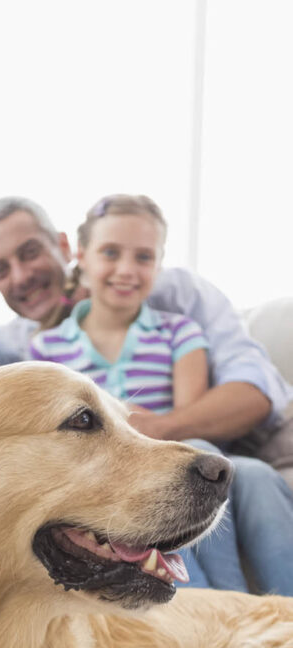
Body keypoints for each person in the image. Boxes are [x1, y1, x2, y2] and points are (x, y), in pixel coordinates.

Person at [28, 193, 293, 596]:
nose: (126, 270)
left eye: (144, 258)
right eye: (111, 253)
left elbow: (189, 424)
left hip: (178, 453)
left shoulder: (179, 332)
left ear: (159, 264)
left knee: (255, 474)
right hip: (113, 474)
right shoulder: (46, 350)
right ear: (82, 256)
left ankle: (282, 615)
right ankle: (216, 606)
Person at [0, 197, 293, 486]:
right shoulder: (30, 343)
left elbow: (256, 392)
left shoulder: (172, 296)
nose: (22, 275)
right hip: (129, 468)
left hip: (240, 446)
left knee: (250, 476)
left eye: (29, 253)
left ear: (67, 247)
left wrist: (157, 430)